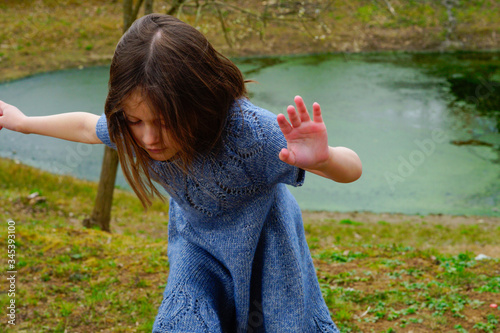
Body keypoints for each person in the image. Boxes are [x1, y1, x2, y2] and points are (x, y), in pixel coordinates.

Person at [0, 14, 361, 333]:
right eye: (136, 120)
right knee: (183, 317)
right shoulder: (132, 130)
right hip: (197, 246)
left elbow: (352, 169)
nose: (149, 138)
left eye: (164, 121)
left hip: (266, 247)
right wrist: (24, 123)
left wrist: (322, 158)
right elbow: (84, 127)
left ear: (200, 103)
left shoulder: (249, 132)